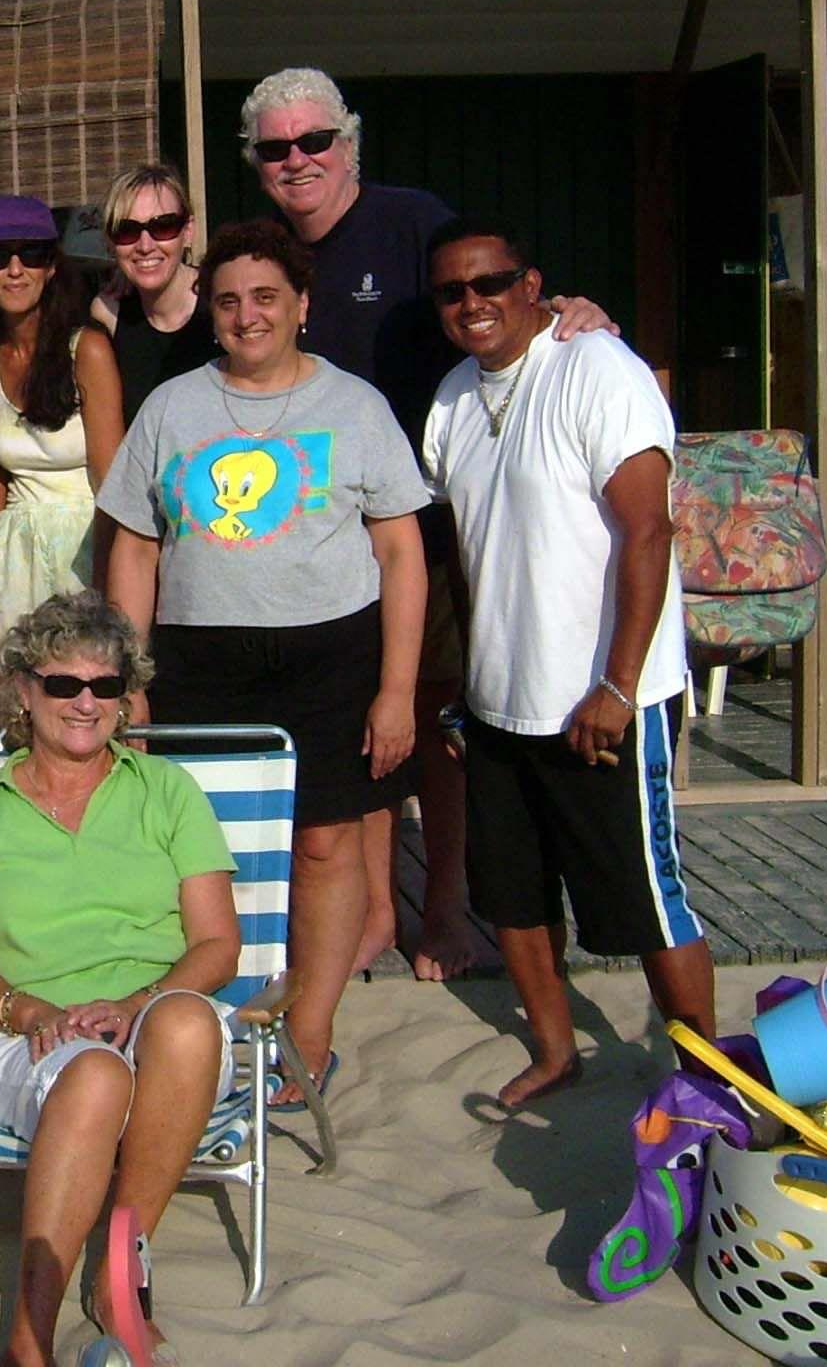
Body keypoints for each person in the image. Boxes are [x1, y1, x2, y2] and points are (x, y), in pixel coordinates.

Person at [242, 66, 614, 983]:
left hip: (428, 527)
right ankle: (373, 909)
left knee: (437, 723)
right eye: (276, 147)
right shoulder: (260, 256)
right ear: (256, 163)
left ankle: (439, 907)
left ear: (349, 143)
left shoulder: (411, 225)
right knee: (355, 724)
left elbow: (492, 300)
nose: (298, 161)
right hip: (314, 539)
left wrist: (571, 308)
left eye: (314, 141)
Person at [98, 219, 428, 1117]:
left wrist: (397, 689)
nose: (248, 316)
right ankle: (196, 1024)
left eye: (267, 298)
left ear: (303, 306)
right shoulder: (173, 407)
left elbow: (401, 552)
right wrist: (130, 677)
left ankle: (309, 1029)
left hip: (330, 651)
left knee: (325, 843)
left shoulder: (357, 407)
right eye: (231, 299)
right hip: (200, 656)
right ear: (211, 311)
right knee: (204, 854)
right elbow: (132, 549)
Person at [421, 216, 715, 1108]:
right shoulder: (450, 401)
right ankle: (556, 1051)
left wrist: (618, 687)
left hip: (602, 699)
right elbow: (465, 556)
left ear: (531, 284)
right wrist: (459, 695)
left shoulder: (597, 369)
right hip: (500, 702)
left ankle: (711, 1074)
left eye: (491, 283)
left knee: (645, 898)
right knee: (511, 896)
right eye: (451, 291)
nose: (473, 303)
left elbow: (648, 528)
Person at [0, 591, 238, 1367]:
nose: (85, 703)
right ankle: (29, 1338)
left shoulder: (167, 792)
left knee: (186, 1020)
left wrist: (137, 1005)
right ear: (24, 691)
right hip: (25, 1032)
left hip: (158, 1025)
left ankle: (117, 1276)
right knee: (96, 1074)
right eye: (63, 684)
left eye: (105, 686)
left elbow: (216, 945)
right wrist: (33, 1012)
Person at [0, 195, 117, 644]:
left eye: (31, 254)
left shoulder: (87, 349)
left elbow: (111, 479)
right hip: (16, 553)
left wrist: (110, 581)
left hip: (85, 548)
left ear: (51, 267)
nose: (14, 269)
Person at [85, 163, 219, 429]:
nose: (145, 246)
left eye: (163, 226)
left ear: (188, 231)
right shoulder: (108, 312)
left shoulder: (220, 301)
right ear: (111, 242)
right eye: (127, 231)